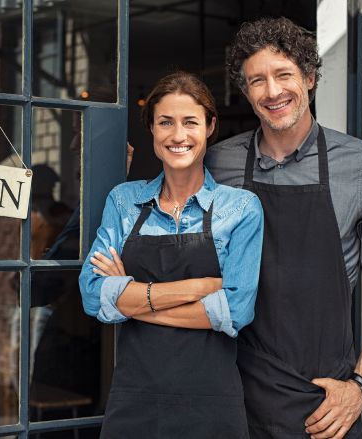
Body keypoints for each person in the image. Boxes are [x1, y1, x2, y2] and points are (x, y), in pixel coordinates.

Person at [205, 17, 362, 439]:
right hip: (231, 389)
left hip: (325, 401)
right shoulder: (217, 163)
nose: (272, 91)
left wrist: (361, 386)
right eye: (257, 80)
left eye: (283, 74)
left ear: (310, 77)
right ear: (245, 92)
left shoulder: (361, 165)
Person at [79, 71, 264, 438]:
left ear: (210, 126)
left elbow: (236, 311)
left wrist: (132, 299)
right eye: (165, 122)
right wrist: (199, 288)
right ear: (151, 129)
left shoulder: (241, 208)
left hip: (211, 404)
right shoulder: (124, 201)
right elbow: (91, 294)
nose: (178, 136)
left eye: (190, 122)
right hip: (135, 400)